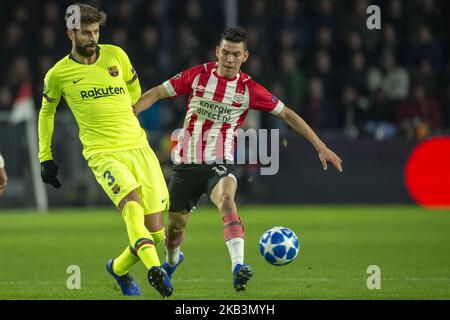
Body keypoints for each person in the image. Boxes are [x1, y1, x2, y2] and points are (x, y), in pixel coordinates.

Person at [133, 27, 343, 292]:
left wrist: (320, 145)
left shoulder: (248, 89)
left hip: (219, 162)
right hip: (186, 164)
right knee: (174, 230)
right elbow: (156, 93)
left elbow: (287, 114)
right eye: (225, 53)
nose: (229, 59)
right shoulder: (197, 76)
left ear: (245, 56)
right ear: (217, 52)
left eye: (235, 54)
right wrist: (132, 112)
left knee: (227, 201)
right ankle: (172, 261)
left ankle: (238, 267)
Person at [38, 4, 172, 298]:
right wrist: (45, 157)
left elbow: (135, 92)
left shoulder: (116, 56)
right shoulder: (58, 74)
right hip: (103, 153)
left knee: (156, 231)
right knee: (132, 208)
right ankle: (154, 270)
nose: (92, 38)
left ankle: (119, 269)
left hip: (138, 147)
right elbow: (46, 114)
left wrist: (128, 117)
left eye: (96, 31)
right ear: (70, 33)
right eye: (86, 32)